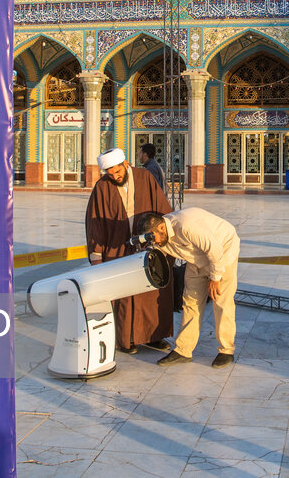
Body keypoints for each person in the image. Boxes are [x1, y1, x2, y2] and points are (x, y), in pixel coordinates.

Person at [85, 148, 174, 355]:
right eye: (110, 174)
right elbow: (94, 222)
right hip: (117, 248)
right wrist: (96, 254)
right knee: (123, 295)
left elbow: (162, 209)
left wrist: (165, 238)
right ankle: (128, 339)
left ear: (125, 164)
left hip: (147, 245)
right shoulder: (102, 187)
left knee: (151, 293)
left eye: (117, 171)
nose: (115, 176)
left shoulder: (145, 177)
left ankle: (154, 337)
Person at [137, 207, 240, 368]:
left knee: (221, 302)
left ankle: (226, 350)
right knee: (190, 301)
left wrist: (215, 277)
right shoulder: (159, 235)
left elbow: (214, 250)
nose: (155, 242)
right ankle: (183, 350)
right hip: (196, 259)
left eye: (155, 238)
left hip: (223, 251)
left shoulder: (186, 226)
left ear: (162, 227)